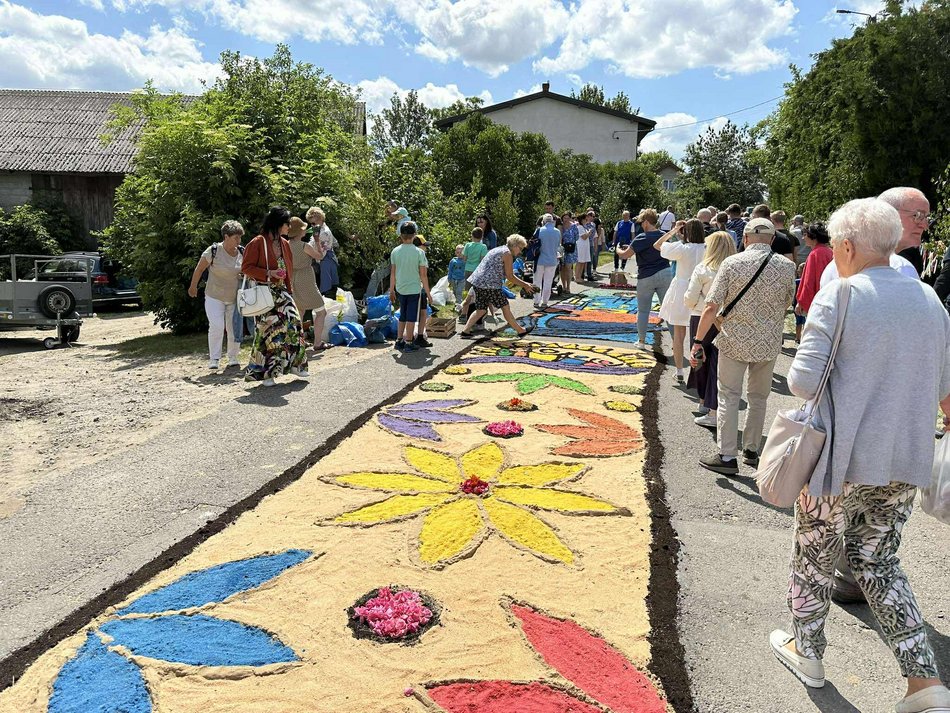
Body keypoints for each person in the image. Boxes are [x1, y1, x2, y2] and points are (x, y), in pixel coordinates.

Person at [769, 198, 950, 713]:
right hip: (905, 457)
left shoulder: (840, 295)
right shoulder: (929, 300)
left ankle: (807, 652)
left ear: (846, 246)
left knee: (815, 555)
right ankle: (924, 682)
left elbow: (803, 381)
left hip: (838, 458)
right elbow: (945, 386)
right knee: (880, 561)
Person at [691, 218, 796, 474]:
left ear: (746, 238)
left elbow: (711, 306)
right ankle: (751, 449)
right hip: (767, 342)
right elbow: (787, 303)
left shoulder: (732, 263)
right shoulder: (787, 267)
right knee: (758, 397)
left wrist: (698, 341)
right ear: (772, 240)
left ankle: (727, 456)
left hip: (733, 340)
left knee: (728, 396)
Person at [242, 207, 308, 386]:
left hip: (282, 292)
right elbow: (246, 267)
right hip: (264, 292)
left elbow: (288, 269)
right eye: (287, 223)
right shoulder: (258, 242)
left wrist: (289, 289)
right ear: (278, 224)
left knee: (294, 324)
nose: (289, 227)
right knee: (268, 332)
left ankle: (297, 365)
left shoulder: (284, 243)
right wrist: (268, 273)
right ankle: (266, 374)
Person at [684, 231, 736, 427]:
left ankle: (704, 401)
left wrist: (698, 303)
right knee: (718, 363)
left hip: (701, 316)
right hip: (727, 320)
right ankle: (713, 404)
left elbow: (690, 298)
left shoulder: (704, 268)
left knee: (699, 358)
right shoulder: (736, 269)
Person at [188, 219, 245, 369]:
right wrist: (193, 287)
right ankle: (214, 359)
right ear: (226, 236)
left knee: (233, 328)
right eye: (236, 238)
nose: (239, 241)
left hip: (234, 297)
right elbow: (199, 269)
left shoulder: (242, 252)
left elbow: (247, 271)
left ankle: (233, 357)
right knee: (217, 326)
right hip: (214, 296)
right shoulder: (213, 250)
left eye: (240, 237)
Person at [657, 219, 707, 383]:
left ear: (686, 231)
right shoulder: (707, 248)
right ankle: (699, 373)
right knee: (700, 335)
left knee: (678, 335)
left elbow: (658, 245)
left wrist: (673, 231)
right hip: (702, 290)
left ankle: (679, 371)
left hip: (682, 290)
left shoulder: (682, 248)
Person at [614, 209, 671, 349]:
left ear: (646, 222)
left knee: (643, 310)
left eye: (641, 222)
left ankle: (641, 341)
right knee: (668, 310)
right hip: (664, 273)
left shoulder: (641, 237)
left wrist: (617, 249)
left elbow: (625, 255)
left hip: (646, 276)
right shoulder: (664, 235)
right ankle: (677, 342)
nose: (640, 225)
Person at [460, 235, 536, 338]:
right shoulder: (507, 254)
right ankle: (520, 330)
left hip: (479, 282)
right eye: (520, 248)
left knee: (481, 310)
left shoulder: (499, 249)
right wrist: (525, 284)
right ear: (515, 246)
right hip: (490, 285)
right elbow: (510, 276)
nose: (520, 252)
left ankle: (465, 331)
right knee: (505, 306)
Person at [389, 221, 432, 352]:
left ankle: (399, 340)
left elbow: (393, 273)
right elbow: (423, 276)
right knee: (411, 316)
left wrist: (391, 290)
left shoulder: (395, 251)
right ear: (414, 235)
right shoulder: (419, 252)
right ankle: (409, 342)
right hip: (414, 289)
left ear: (401, 235)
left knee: (403, 314)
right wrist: (428, 293)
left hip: (400, 288)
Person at [287, 216, 329, 350]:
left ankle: (299, 342)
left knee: (299, 311)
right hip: (306, 279)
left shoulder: (285, 245)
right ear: (300, 231)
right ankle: (318, 342)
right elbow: (320, 256)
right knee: (321, 311)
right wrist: (316, 240)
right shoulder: (304, 246)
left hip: (293, 279)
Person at [793, 222, 833, 341]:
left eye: (805, 235)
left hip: (816, 302)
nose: (803, 238)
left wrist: (801, 302)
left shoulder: (815, 254)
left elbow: (808, 281)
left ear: (813, 236)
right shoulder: (830, 251)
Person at [879, 186, 930, 276]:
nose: (925, 226)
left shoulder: (858, 260)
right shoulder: (901, 268)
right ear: (889, 215)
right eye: (917, 215)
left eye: (926, 217)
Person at [306, 207, 338, 297]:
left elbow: (321, 252)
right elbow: (313, 242)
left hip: (325, 259)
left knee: (326, 286)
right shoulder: (319, 229)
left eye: (313, 223)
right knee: (325, 284)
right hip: (325, 258)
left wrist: (307, 251)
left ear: (320, 219)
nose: (312, 225)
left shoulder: (324, 233)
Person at [533, 213, 561, 309]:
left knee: (537, 281)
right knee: (548, 282)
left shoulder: (539, 230)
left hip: (540, 259)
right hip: (552, 259)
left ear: (543, 221)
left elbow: (533, 243)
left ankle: (536, 301)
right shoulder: (557, 231)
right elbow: (558, 245)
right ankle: (545, 301)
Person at [560, 212, 579, 293]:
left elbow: (577, 237)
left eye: (568, 218)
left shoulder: (574, 226)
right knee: (562, 268)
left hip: (571, 249)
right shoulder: (560, 226)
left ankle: (568, 287)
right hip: (562, 249)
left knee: (568, 267)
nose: (566, 220)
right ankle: (563, 286)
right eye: (565, 218)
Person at [574, 213, 593, 284]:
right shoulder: (580, 227)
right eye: (585, 219)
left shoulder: (583, 227)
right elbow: (584, 237)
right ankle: (577, 277)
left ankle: (579, 277)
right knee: (580, 262)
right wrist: (589, 233)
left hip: (584, 246)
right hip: (580, 247)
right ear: (582, 220)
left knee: (583, 262)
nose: (586, 220)